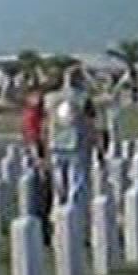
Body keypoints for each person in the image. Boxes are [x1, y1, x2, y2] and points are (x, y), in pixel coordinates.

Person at [44, 70, 96, 204]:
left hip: (55, 141)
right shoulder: (83, 97)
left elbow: (46, 120)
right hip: (76, 142)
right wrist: (95, 141)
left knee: (58, 177)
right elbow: (90, 121)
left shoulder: (49, 97)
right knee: (77, 179)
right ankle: (75, 209)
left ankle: (59, 206)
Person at [20, 89, 48, 163]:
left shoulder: (39, 112)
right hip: (34, 138)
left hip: (38, 138)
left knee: (38, 159)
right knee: (37, 159)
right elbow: (27, 127)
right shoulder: (30, 112)